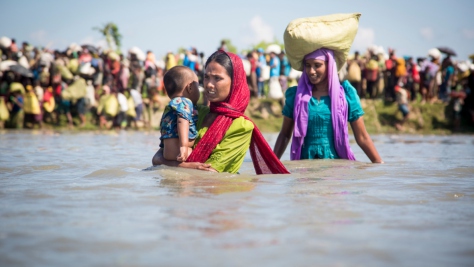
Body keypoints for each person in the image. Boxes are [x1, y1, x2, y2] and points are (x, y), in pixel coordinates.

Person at [152, 50, 289, 174]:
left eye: (217, 78)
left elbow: (210, 173)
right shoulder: (195, 112)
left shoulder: (242, 126)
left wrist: (170, 164)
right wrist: (181, 165)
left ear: (235, 82)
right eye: (206, 77)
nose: (209, 84)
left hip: (218, 197)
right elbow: (158, 156)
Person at [273, 48, 383, 163]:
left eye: (317, 65)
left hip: (336, 170)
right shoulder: (296, 96)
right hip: (304, 170)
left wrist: (379, 163)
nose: (311, 71)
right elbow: (285, 135)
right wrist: (271, 164)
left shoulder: (346, 96)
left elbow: (362, 137)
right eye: (308, 65)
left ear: (330, 65)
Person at [159, 66, 200, 162]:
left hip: (168, 152)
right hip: (178, 150)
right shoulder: (184, 101)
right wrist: (183, 146)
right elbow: (182, 120)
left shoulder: (173, 104)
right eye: (197, 86)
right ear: (190, 87)